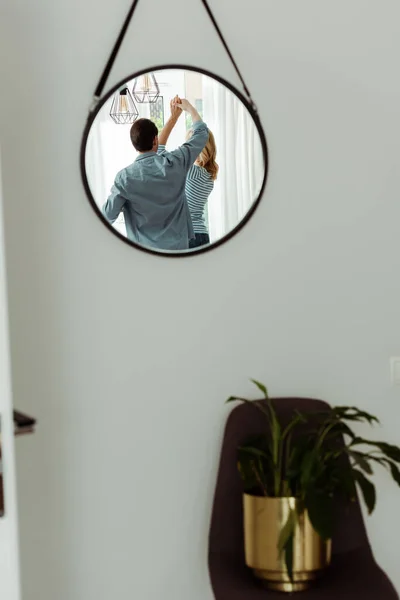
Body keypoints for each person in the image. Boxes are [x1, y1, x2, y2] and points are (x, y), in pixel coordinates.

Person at [102, 98, 208, 251]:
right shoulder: (175, 163)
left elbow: (107, 216)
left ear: (133, 144)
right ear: (155, 140)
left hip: (144, 257)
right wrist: (189, 108)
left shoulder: (124, 178)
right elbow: (201, 133)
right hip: (179, 252)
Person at [158, 102, 218, 249]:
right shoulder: (209, 176)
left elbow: (159, 152)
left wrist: (179, 115)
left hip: (187, 236)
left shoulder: (191, 171)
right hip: (202, 236)